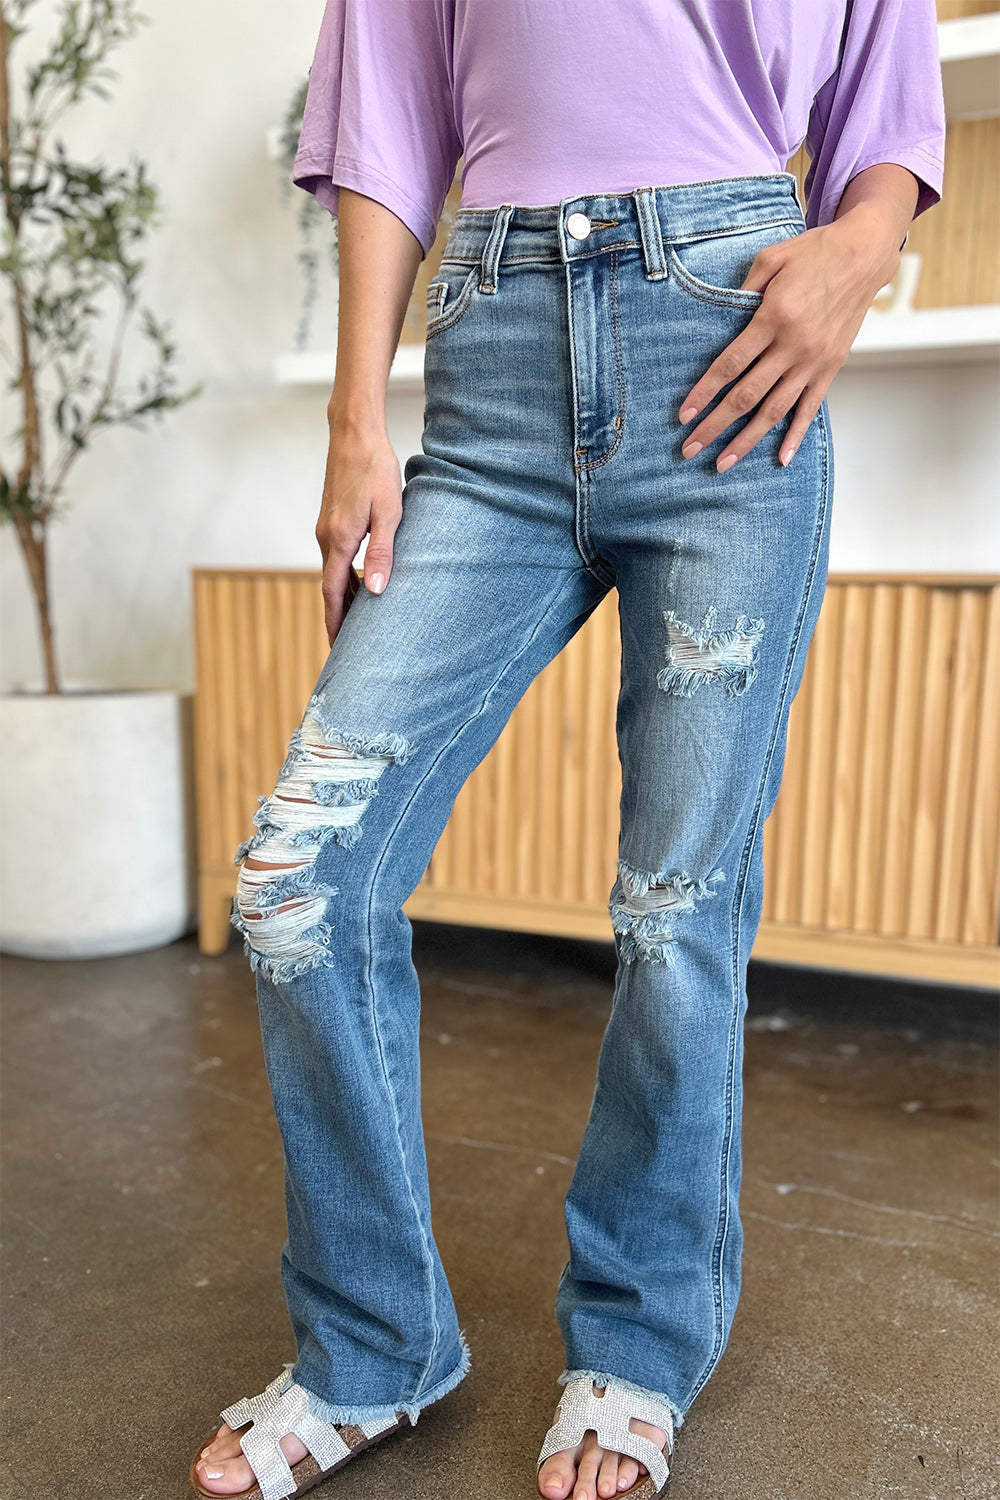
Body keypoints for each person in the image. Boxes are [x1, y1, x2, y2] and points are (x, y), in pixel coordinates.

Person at [191, 3, 945, 1498]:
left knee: (676, 916)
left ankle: (642, 1342)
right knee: (294, 879)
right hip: (492, 379)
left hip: (730, 337)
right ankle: (374, 1343)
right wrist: (356, 421)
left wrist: (853, 259)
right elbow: (390, 114)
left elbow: (888, 111)